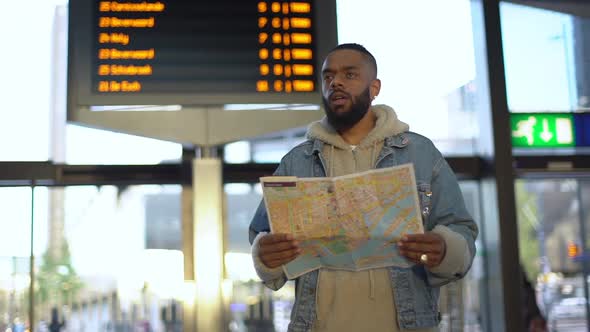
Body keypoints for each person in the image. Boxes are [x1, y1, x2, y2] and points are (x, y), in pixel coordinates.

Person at [249, 43, 478, 332]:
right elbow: (263, 237)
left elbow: (460, 230)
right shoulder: (296, 162)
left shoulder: (421, 154)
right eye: (328, 76)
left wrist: (445, 249)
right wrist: (266, 256)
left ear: (375, 87)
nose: (336, 83)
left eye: (350, 74)